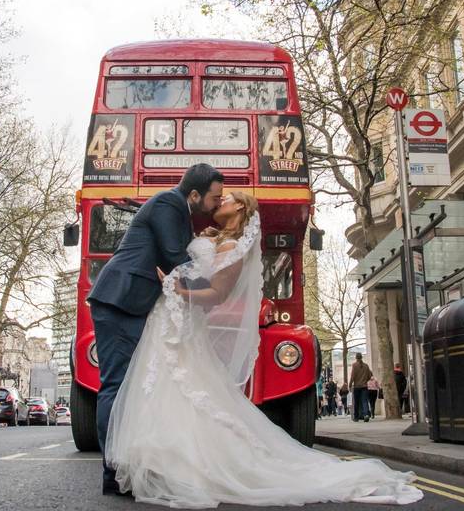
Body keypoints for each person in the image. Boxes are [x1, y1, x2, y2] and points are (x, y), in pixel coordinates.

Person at [106, 192, 421, 507]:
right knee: (172, 389)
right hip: (174, 323)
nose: (220, 201)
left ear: (240, 206)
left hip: (182, 321)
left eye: (226, 198)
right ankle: (163, 460)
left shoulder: (234, 248)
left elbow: (216, 294)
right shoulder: (213, 238)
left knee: (187, 391)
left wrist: (177, 287)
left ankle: (187, 463)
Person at [89, 163, 224, 497]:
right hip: (119, 301)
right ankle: (112, 471)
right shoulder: (167, 203)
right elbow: (175, 256)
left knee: (132, 385)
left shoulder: (181, 212)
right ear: (194, 194)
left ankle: (128, 464)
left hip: (134, 304)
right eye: (213, 198)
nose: (216, 205)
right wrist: (220, 286)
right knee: (116, 385)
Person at [348, 353, 373, 422]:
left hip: (357, 386)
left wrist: (350, 385)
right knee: (365, 401)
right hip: (364, 386)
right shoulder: (366, 366)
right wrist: (365, 380)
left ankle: (356, 417)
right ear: (361, 357)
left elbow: (352, 376)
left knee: (356, 402)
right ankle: (366, 415)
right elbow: (370, 376)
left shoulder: (354, 365)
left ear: (356, 358)